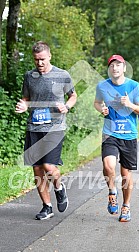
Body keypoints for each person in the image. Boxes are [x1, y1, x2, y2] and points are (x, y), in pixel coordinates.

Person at [15, 41, 77, 220]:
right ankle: (47, 207)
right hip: (34, 127)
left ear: (49, 56)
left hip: (55, 127)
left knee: (49, 166)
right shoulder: (29, 76)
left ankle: (59, 187)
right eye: (36, 60)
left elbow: (72, 95)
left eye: (42, 59)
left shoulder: (62, 75)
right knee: (37, 169)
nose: (39, 63)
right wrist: (23, 106)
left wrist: (66, 106)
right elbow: (26, 98)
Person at [94, 54, 139, 222]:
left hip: (129, 135)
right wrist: (101, 109)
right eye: (112, 65)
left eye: (118, 65)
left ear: (124, 67)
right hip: (110, 133)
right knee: (108, 166)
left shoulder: (134, 86)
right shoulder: (102, 86)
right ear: (109, 69)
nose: (115, 68)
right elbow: (97, 102)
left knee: (125, 174)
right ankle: (112, 191)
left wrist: (129, 104)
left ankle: (126, 206)